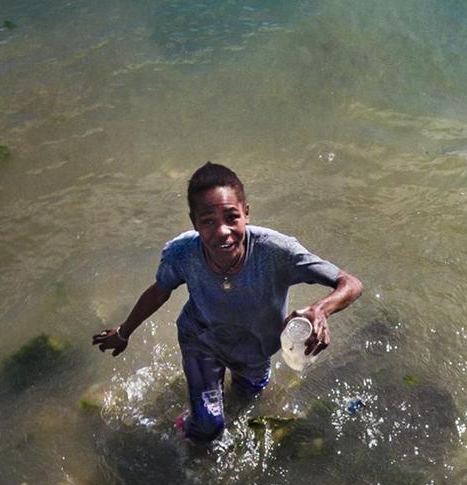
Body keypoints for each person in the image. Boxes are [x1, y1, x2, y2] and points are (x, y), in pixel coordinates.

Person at [93, 162, 363, 442]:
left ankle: (215, 400)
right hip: (201, 339)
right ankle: (189, 422)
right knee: (208, 427)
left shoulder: (276, 252)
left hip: (256, 350)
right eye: (208, 221)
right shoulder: (182, 253)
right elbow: (160, 290)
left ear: (246, 213)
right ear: (193, 221)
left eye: (231, 217)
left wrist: (321, 309)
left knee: (247, 400)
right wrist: (124, 332)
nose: (222, 231)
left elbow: (351, 283)